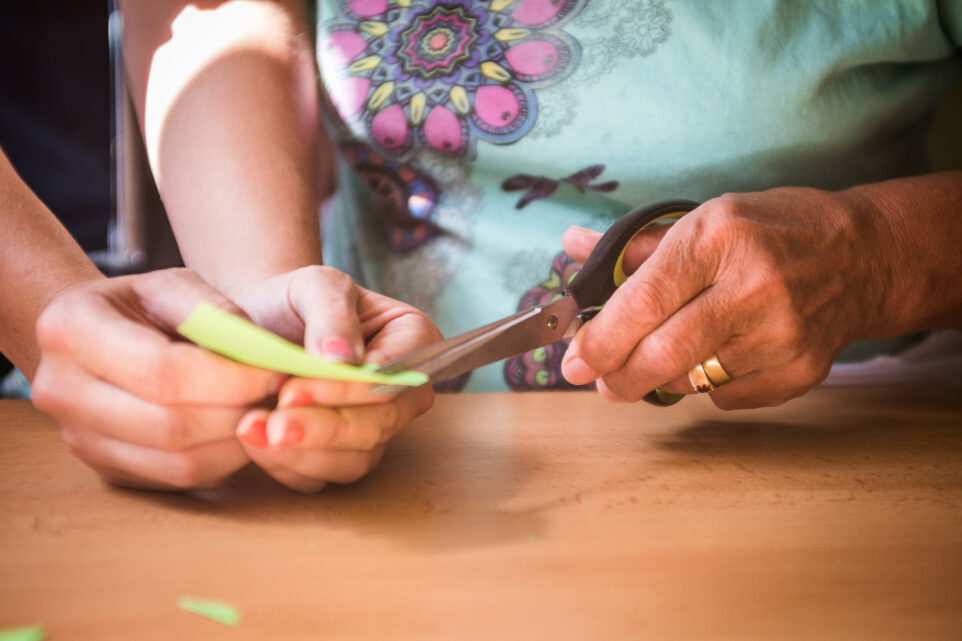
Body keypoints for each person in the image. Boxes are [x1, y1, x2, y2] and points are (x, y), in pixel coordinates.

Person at [30, 0, 962, 488]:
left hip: (853, 430)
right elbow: (209, 11)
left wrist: (879, 254)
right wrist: (266, 307)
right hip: (407, 461)